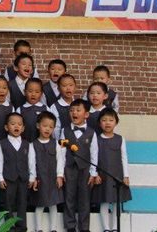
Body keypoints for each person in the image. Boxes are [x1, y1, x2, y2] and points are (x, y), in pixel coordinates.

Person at [59, 99, 98, 232]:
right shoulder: (65, 131)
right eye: (71, 110)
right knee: (69, 197)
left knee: (84, 198)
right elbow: (61, 152)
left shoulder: (91, 132)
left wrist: (93, 172)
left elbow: (94, 153)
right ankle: (70, 226)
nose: (74, 113)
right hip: (69, 168)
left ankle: (84, 227)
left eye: (78, 110)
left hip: (85, 169)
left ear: (86, 114)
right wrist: (61, 172)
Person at [92, 108, 131, 232]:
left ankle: (114, 227)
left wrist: (126, 176)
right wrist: (95, 174)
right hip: (103, 176)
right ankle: (106, 228)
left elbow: (124, 158)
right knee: (104, 201)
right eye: (104, 120)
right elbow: (93, 157)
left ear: (116, 122)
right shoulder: (96, 139)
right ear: (99, 123)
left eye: (111, 120)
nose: (107, 123)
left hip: (117, 175)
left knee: (115, 202)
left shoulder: (120, 139)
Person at [0, 113, 30, 232]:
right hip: (8, 178)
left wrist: (32, 177)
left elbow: (31, 162)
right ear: (6, 127)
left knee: (22, 203)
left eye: (19, 124)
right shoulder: (2, 144)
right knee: (8, 203)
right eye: (13, 123)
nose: (16, 126)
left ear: (23, 128)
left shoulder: (27, 144)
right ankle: (8, 227)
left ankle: (21, 227)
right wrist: (0, 178)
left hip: (23, 178)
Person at [29, 112, 63, 232]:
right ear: (38, 126)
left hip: (53, 179)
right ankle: (38, 229)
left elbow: (60, 160)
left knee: (53, 204)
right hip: (40, 179)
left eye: (51, 127)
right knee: (40, 204)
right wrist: (33, 179)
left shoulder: (56, 144)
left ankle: (53, 229)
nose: (47, 129)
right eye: (45, 126)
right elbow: (31, 163)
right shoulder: (32, 145)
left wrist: (60, 176)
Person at [18, 78, 49, 142]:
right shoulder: (20, 109)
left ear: (41, 93)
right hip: (25, 143)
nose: (33, 94)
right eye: (30, 91)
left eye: (37, 92)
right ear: (24, 92)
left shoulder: (46, 109)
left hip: (42, 144)